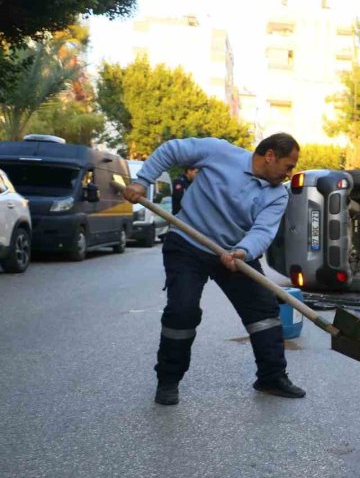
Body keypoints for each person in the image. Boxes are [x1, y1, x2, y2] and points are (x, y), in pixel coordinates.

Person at [122, 133, 304, 406]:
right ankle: (168, 381)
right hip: (187, 243)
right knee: (183, 310)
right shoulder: (219, 153)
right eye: (288, 166)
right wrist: (142, 180)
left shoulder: (277, 195)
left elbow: (263, 231)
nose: (289, 174)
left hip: (233, 252)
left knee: (264, 311)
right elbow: (172, 150)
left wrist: (242, 251)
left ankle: (271, 377)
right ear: (270, 156)